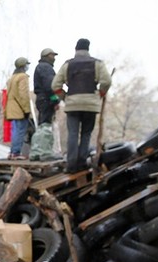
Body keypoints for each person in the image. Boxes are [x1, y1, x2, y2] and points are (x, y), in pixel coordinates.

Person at [52, 38, 112, 173]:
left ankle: (71, 165)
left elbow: (55, 85)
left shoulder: (68, 64)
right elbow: (107, 81)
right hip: (90, 104)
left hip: (72, 103)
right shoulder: (97, 63)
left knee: (73, 133)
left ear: (76, 49)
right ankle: (82, 163)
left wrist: (64, 97)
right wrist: (100, 94)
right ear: (88, 49)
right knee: (86, 133)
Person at [30, 48, 61, 161]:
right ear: (47, 56)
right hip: (46, 99)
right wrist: (55, 100)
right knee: (46, 126)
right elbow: (50, 85)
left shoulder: (40, 67)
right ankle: (45, 153)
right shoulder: (46, 68)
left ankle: (37, 152)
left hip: (41, 98)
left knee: (42, 125)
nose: (54, 58)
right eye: (52, 55)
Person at [5, 57, 33, 160]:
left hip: (11, 109)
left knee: (15, 131)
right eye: (27, 64)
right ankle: (16, 153)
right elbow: (23, 95)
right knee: (20, 131)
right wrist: (27, 110)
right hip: (19, 109)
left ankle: (13, 152)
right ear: (23, 66)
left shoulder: (12, 78)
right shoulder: (23, 77)